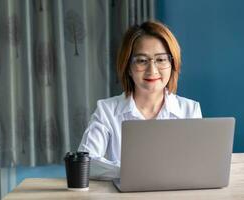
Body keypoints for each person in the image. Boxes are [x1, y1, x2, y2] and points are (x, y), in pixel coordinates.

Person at [78, 20, 202, 180]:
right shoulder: (107, 111)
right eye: (142, 60)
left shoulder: (190, 110)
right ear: (128, 67)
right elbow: (86, 163)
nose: (152, 70)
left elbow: (199, 166)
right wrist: (134, 172)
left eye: (161, 59)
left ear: (172, 64)